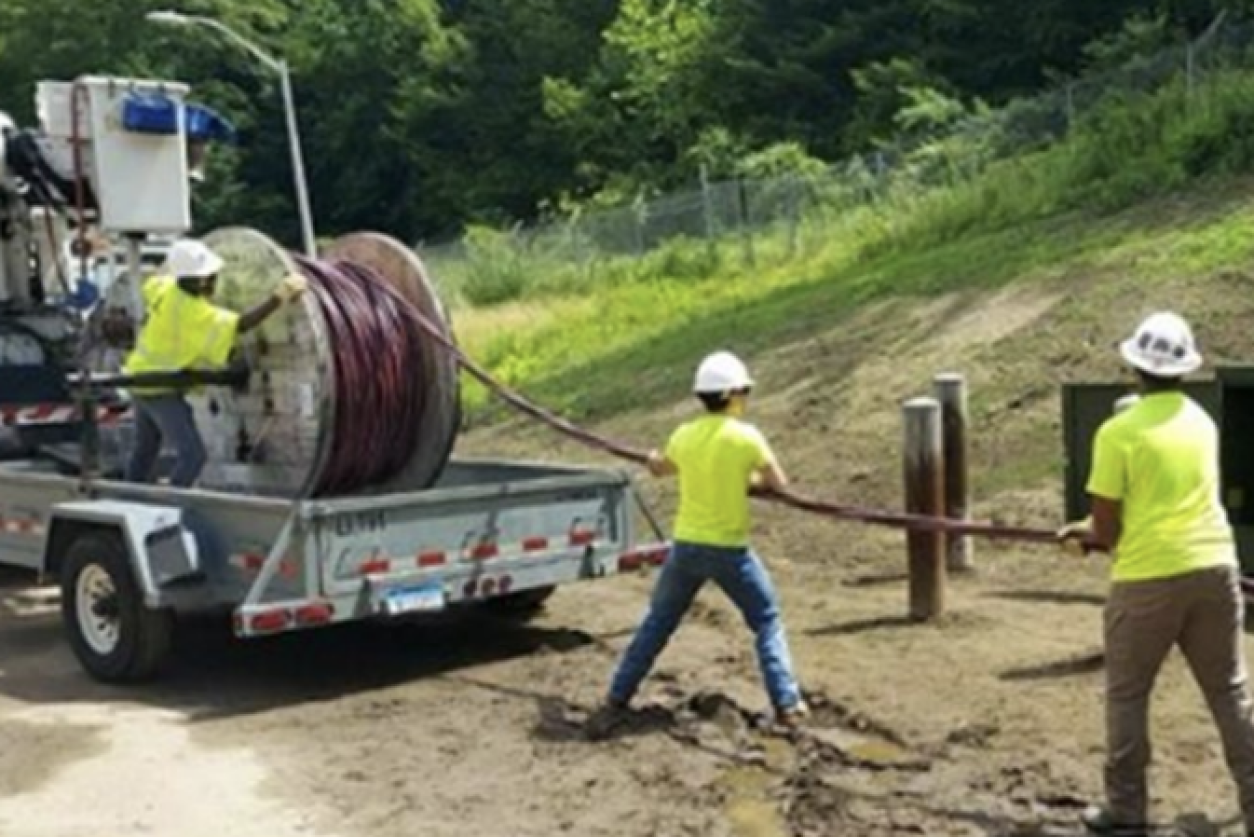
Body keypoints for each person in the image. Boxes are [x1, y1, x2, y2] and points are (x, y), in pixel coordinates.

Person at [1059, 312, 1254, 836]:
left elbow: (1108, 527)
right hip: (1216, 566)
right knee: (1229, 691)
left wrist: (1083, 535)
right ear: (1184, 369)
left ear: (1133, 369)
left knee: (1127, 694)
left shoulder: (1118, 432)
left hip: (1148, 578)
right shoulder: (1202, 422)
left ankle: (1126, 808)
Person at [596, 351, 807, 730]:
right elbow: (779, 483)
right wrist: (745, 482)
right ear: (731, 395)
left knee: (658, 622)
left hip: (686, 548)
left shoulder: (684, 434)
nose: (746, 398)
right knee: (767, 620)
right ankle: (787, 704)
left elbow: (662, 468)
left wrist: (651, 459)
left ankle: (616, 696)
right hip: (730, 551)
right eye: (744, 392)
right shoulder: (746, 437)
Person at [122, 238, 307, 487]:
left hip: (136, 378)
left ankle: (129, 494)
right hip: (159, 387)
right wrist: (279, 296)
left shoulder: (163, 289)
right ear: (199, 280)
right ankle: (170, 506)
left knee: (145, 448)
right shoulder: (194, 312)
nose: (215, 281)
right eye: (212, 276)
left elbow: (156, 280)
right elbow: (241, 325)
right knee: (193, 456)